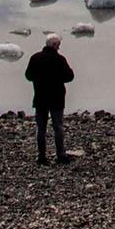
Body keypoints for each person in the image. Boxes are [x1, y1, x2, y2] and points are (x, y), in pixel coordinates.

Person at [26, 33, 75, 164]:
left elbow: (28, 76)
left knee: (41, 128)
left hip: (40, 98)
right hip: (56, 98)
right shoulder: (60, 59)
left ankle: (41, 156)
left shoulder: (35, 58)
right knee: (58, 127)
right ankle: (61, 155)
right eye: (58, 45)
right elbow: (70, 76)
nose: (59, 48)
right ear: (54, 45)